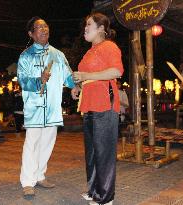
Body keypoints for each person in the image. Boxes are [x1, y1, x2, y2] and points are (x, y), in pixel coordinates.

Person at [17, 16, 77, 199]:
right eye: (39, 27)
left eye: (46, 26)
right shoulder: (25, 56)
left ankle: (40, 175)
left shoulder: (58, 55)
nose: (44, 29)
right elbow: (22, 80)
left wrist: (74, 86)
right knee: (31, 144)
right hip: (34, 108)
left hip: (52, 107)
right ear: (31, 34)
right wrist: (38, 80)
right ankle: (28, 182)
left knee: (48, 143)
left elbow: (68, 75)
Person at [72, 12, 124, 205]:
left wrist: (84, 76)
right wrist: (77, 87)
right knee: (93, 151)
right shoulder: (89, 51)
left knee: (104, 152)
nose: (85, 28)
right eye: (85, 25)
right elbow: (88, 76)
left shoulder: (109, 46)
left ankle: (106, 197)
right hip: (89, 104)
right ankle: (94, 191)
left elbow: (116, 71)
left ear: (101, 28)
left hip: (104, 103)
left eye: (89, 25)